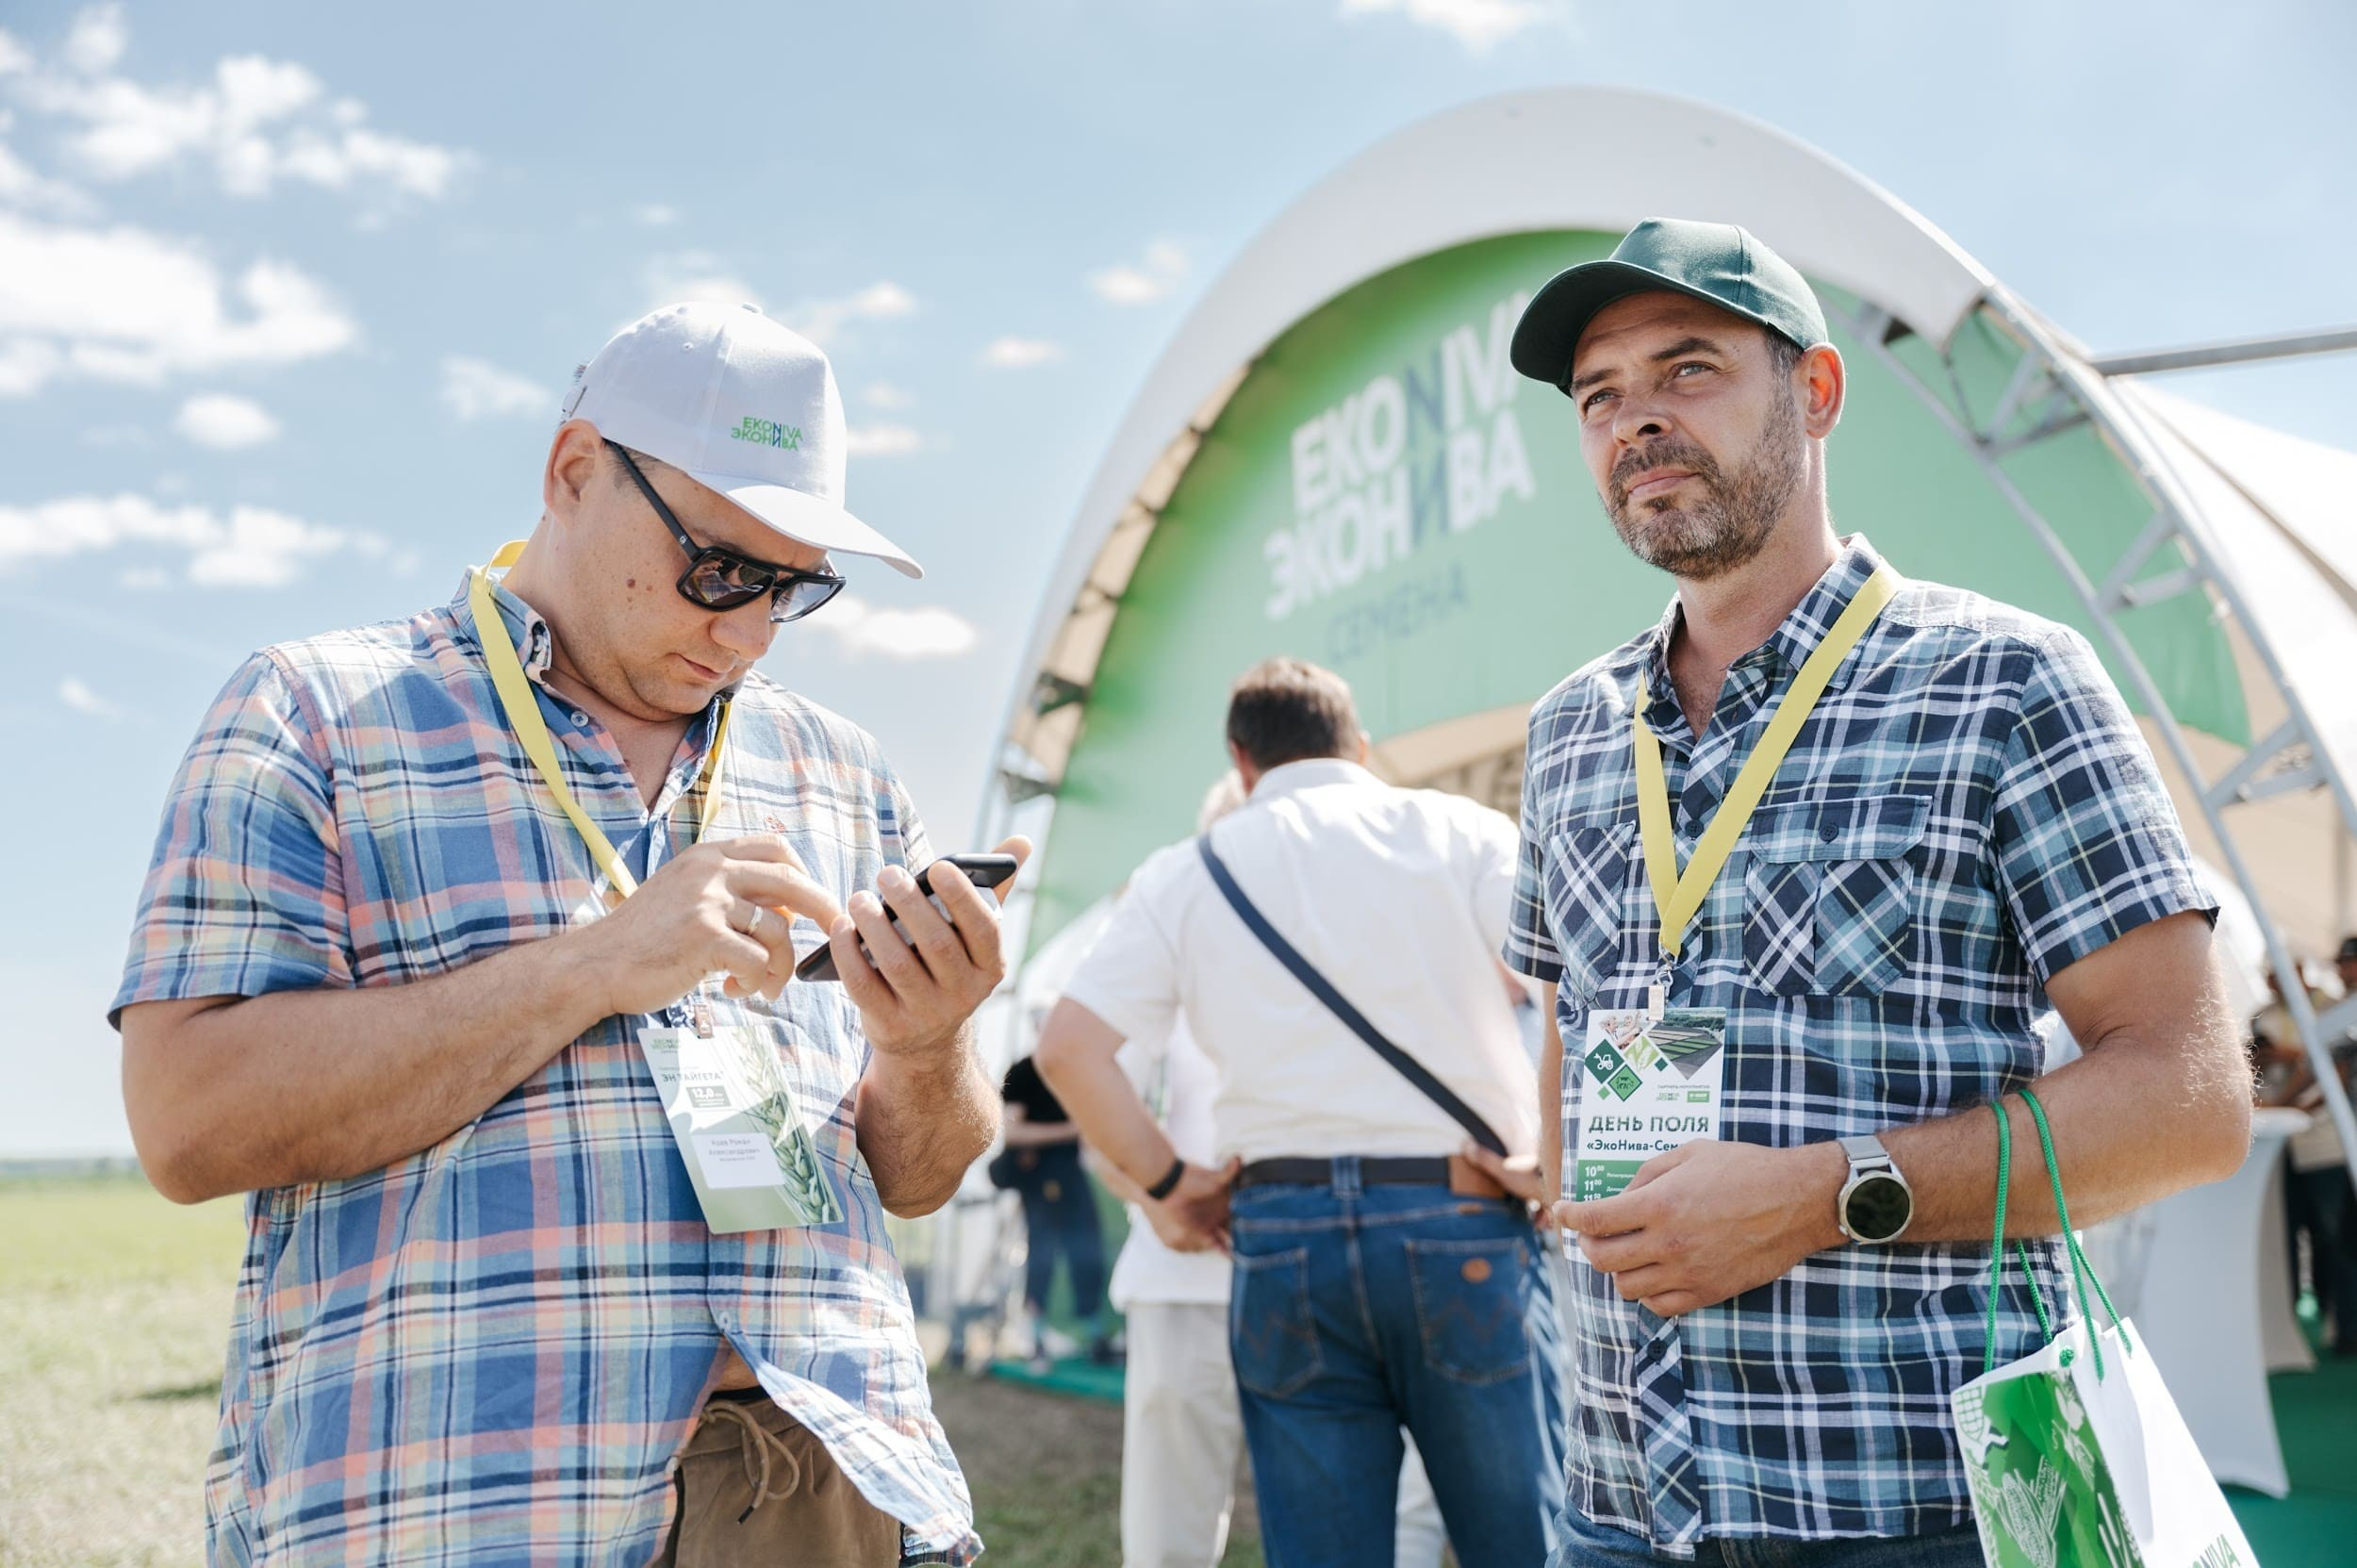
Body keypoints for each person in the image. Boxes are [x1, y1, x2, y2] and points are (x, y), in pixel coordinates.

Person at [112, 301, 1023, 1566]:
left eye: (795, 588)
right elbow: (186, 1116)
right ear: (574, 470)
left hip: (827, 1489)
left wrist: (929, 1047)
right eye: (721, 570)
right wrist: (592, 966)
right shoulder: (317, 716)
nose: (749, 629)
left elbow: (918, 1174)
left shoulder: (842, 773)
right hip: (465, 1507)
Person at [1501, 219, 2250, 1566]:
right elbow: (1574, 1012)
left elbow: (2190, 1098)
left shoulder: (2006, 679)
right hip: (1619, 1498)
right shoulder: (1568, 729)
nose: (1637, 422)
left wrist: (1826, 1189)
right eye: (1600, 396)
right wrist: (1579, 1203)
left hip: (1920, 1510)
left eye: (1688, 370)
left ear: (1819, 391)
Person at [1034, 658, 1569, 1568]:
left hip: (1280, 1231)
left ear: (1242, 763)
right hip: (1459, 1213)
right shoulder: (1460, 830)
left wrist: (1172, 1186)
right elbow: (1582, 980)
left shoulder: (1185, 871)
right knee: (1527, 1544)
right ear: (1360, 746)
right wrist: (1556, 1161)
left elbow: (1066, 1050)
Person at [1090, 771, 1448, 1568]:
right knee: (1169, 1539)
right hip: (1183, 1284)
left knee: (1360, 1530)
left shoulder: (1364, 954)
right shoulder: (1160, 958)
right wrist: (1160, 1203)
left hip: (1330, 1288)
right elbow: (1096, 1117)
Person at [997, 1050, 1115, 1370]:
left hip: (1073, 1178)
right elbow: (1011, 1132)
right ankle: (1035, 1341)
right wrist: (1070, 1131)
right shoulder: (1025, 1071)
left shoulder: (1081, 1070)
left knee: (1088, 1253)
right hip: (1040, 1181)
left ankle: (1095, 1338)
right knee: (1042, 1258)